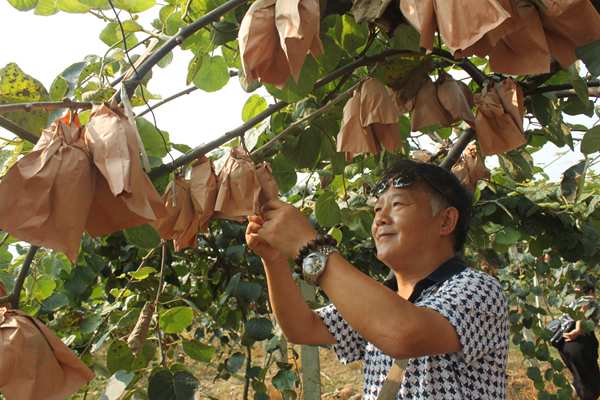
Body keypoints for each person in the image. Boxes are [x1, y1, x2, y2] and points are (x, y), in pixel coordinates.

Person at [245, 159, 509, 399]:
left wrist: (311, 247)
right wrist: (274, 259)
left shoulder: (478, 289)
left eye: (397, 205)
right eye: (377, 210)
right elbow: (303, 327)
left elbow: (404, 334)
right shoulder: (383, 300)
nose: (380, 219)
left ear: (445, 221)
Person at [556, 277, 600, 400]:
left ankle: (564, 396)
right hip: (578, 343)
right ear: (591, 291)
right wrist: (578, 330)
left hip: (564, 345)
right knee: (592, 386)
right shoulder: (588, 299)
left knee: (579, 381)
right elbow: (584, 307)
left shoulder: (571, 302)